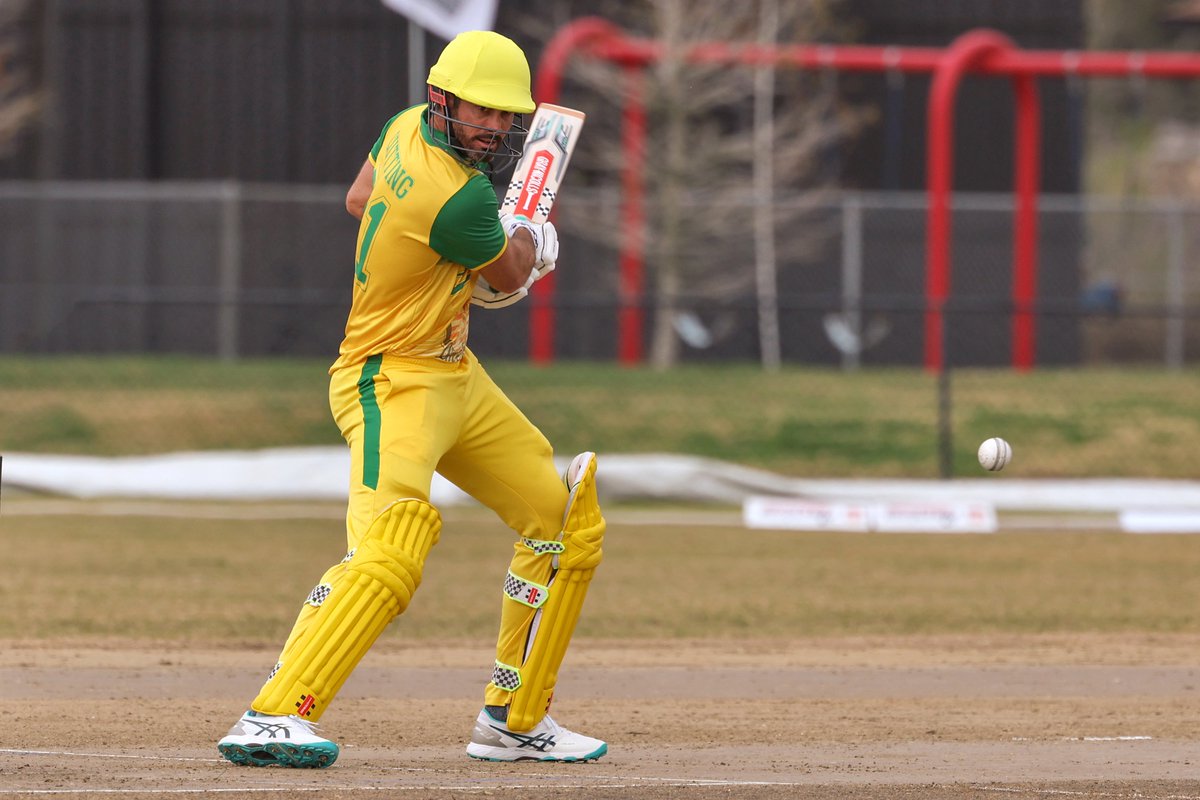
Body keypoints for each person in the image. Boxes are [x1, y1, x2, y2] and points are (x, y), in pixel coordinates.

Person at [217, 30, 607, 768]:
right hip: (389, 379)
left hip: (454, 372)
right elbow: (509, 275)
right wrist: (533, 244)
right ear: (442, 99)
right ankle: (270, 715)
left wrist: (435, 267)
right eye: (480, 112)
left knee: (564, 524)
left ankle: (513, 718)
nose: (494, 128)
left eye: (504, 115)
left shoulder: (402, 126)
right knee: (391, 544)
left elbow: (358, 196)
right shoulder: (456, 197)